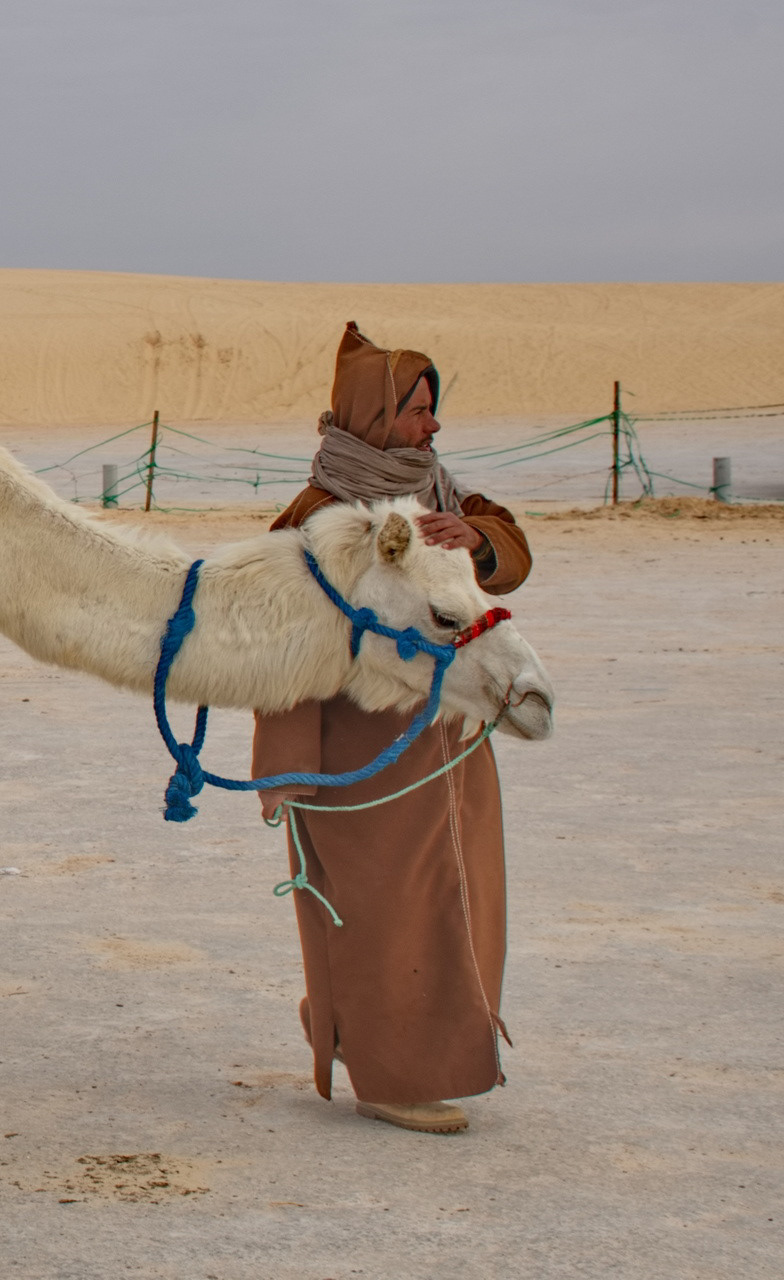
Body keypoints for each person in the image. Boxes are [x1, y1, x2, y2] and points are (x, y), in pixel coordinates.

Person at [251, 322, 532, 1134]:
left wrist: (475, 539)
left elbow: (508, 550)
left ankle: (365, 1031)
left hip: (452, 745)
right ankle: (392, 1075)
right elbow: (282, 648)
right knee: (382, 911)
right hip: (363, 763)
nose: (433, 426)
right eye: (417, 410)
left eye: (434, 409)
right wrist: (287, 768)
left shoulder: (441, 494)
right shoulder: (318, 517)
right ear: (374, 416)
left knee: (461, 902)